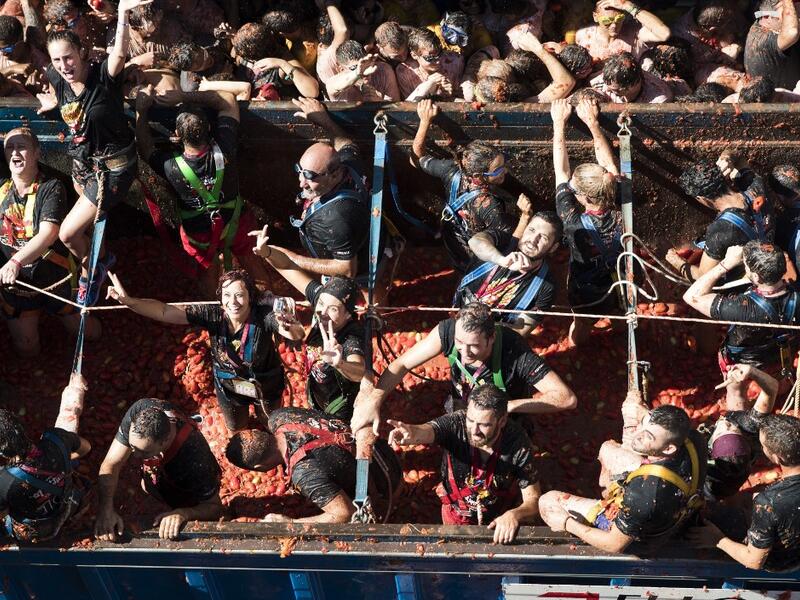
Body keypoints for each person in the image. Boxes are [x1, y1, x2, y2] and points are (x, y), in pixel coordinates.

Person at [39, 0, 147, 307]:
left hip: (113, 169)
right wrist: (52, 104)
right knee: (84, 229)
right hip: (82, 165)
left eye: (69, 58)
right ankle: (100, 257)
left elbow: (120, 53)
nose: (64, 66)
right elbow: (67, 106)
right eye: (57, 60)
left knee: (69, 234)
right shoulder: (57, 77)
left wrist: (123, 13)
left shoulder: (104, 76)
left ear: (81, 53)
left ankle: (93, 268)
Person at [106, 269, 305, 431]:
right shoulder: (212, 315)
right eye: (227, 295)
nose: (233, 302)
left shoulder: (264, 317)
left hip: (266, 385)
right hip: (230, 386)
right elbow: (166, 311)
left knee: (269, 421)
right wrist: (130, 302)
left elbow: (296, 334)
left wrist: (290, 326)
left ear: (250, 297)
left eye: (239, 295)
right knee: (236, 426)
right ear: (220, 297)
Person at [350, 302, 576, 437]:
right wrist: (374, 400)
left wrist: (507, 406)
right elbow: (401, 365)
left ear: (491, 338)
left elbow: (566, 398)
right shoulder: (447, 331)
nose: (464, 352)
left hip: (500, 419)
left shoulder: (515, 352)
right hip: (461, 405)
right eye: (460, 343)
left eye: (474, 346)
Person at [135, 86, 269, 294]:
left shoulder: (170, 166)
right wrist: (184, 95)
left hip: (198, 232)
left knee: (206, 269)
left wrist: (141, 111)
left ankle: (214, 311)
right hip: (236, 222)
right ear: (209, 128)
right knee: (252, 262)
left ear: (177, 135)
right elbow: (227, 99)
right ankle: (266, 300)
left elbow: (145, 148)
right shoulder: (226, 146)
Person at [539, 401, 706, 554]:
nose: (637, 434)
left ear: (668, 449)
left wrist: (567, 523)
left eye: (648, 436)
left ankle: (603, 501)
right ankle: (607, 491)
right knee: (607, 448)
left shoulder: (644, 496)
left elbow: (614, 544)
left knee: (548, 501)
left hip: (641, 539)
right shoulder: (694, 439)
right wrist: (645, 418)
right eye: (642, 424)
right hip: (677, 509)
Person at [388, 383, 540, 543]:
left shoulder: (518, 443)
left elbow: (534, 500)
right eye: (471, 420)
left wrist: (514, 515)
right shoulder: (456, 423)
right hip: (455, 514)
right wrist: (413, 432)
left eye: (484, 424)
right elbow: (430, 430)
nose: (474, 430)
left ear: (501, 421)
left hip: (499, 521)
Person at [287, 97, 398, 302]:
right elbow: (347, 144)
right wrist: (323, 119)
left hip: (362, 261)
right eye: (299, 171)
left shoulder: (336, 220)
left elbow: (347, 269)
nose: (301, 182)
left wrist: (293, 259)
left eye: (311, 176)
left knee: (368, 290)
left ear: (336, 175)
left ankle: (376, 316)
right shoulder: (350, 165)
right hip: (364, 233)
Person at [0, 127, 100, 355]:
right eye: (10, 147)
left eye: (21, 147)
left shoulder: (51, 187)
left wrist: (15, 262)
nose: (15, 152)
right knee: (26, 347)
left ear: (36, 152)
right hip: (17, 287)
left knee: (87, 334)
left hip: (55, 279)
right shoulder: (2, 189)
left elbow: (49, 233)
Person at [251, 226, 366, 422]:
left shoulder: (351, 336)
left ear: (348, 315)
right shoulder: (322, 300)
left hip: (342, 405)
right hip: (317, 392)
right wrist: (266, 252)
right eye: (320, 304)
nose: (322, 312)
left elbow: (360, 370)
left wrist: (340, 363)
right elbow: (288, 267)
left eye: (333, 309)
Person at [226, 404, 402, 524]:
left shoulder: (304, 473)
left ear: (259, 468)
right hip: (382, 450)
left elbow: (345, 513)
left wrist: (292, 523)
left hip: (386, 484)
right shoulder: (279, 416)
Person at [683, 242, 799, 411]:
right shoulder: (797, 296)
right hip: (779, 355)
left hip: (742, 360)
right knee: (778, 377)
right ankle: (778, 395)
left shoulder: (742, 308)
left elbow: (691, 296)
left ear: (757, 278)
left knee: (736, 390)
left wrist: (726, 264)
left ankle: (740, 422)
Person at [94, 397, 224, 541]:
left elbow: (215, 508)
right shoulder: (139, 412)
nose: (135, 455)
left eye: (143, 452)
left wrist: (183, 513)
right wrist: (105, 510)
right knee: (147, 485)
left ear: (165, 442)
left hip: (187, 490)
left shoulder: (195, 456)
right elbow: (111, 463)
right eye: (132, 447)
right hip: (161, 474)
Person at [411, 99, 515, 275]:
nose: (505, 171)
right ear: (477, 176)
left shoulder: (451, 171)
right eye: (497, 171)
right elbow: (509, 244)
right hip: (478, 259)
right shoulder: (490, 206)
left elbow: (416, 159)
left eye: (503, 164)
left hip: (453, 242)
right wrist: (526, 215)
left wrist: (424, 122)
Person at [550, 98, 622, 347]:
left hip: (586, 287)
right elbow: (609, 167)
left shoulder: (572, 221)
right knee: (623, 313)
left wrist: (558, 124)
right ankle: (622, 337)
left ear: (584, 197)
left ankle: (578, 349)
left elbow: (561, 172)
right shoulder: (621, 199)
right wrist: (592, 123)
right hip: (623, 278)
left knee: (581, 322)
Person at [689, 413, 800, 572]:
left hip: (783, 560)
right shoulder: (771, 500)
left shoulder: (769, 503)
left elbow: (754, 561)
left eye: (763, 446)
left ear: (776, 458)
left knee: (702, 518)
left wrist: (717, 539)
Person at [0, 375, 91, 542]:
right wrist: (62, 461)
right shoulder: (57, 439)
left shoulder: (4, 481)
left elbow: (2, 512)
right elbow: (86, 448)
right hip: (69, 506)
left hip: (36, 532)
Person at [455, 207, 561, 337]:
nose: (533, 240)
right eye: (531, 230)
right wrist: (501, 259)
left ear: (553, 248)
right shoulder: (503, 243)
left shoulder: (547, 286)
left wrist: (478, 327)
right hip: (456, 314)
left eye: (543, 238)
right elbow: (475, 241)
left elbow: (520, 331)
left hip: (488, 339)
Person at [670, 150, 774, 282]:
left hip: (749, 278)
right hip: (770, 252)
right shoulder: (754, 185)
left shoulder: (720, 229)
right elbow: (739, 155)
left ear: (702, 198)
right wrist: (728, 157)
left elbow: (703, 277)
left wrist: (677, 262)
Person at [702, 364, 778, 502]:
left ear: (710, 448)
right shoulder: (747, 426)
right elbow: (772, 388)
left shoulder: (704, 467)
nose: (724, 422)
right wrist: (751, 372)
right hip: (736, 478)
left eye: (721, 431)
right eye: (731, 428)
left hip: (711, 491)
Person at [671, 0, 745, 90]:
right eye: (720, 33)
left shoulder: (703, 15)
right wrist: (723, 58)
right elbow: (690, 71)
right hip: (699, 70)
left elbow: (738, 31)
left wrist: (736, 46)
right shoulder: (682, 39)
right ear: (713, 31)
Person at [574, 0, 669, 63]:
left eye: (619, 19)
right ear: (595, 17)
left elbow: (664, 34)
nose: (614, 25)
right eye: (607, 21)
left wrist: (628, 6)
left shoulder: (635, 34)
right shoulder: (583, 36)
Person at [744, 0, 800, 90]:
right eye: (788, 15)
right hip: (780, 101)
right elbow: (792, 32)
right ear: (767, 17)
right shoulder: (762, 41)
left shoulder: (764, 25)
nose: (796, 19)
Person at [396, 27, 464, 100]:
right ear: (414, 55)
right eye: (430, 58)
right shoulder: (405, 72)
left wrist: (450, 94)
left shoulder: (455, 61)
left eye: (440, 54)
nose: (438, 61)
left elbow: (464, 101)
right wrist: (428, 86)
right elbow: (406, 107)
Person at [324, 40, 400, 101]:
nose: (364, 69)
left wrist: (378, 102)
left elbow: (395, 108)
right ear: (341, 69)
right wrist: (357, 73)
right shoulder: (333, 83)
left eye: (365, 63)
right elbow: (334, 86)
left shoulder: (383, 70)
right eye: (354, 67)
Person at [589, 51, 672, 103]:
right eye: (607, 85)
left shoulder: (658, 99)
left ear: (632, 86)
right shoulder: (600, 81)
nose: (606, 90)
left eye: (614, 90)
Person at [0, 15, 50, 95]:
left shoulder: (42, 64)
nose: (2, 53)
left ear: (21, 40)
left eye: (7, 49)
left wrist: (34, 92)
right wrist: (10, 70)